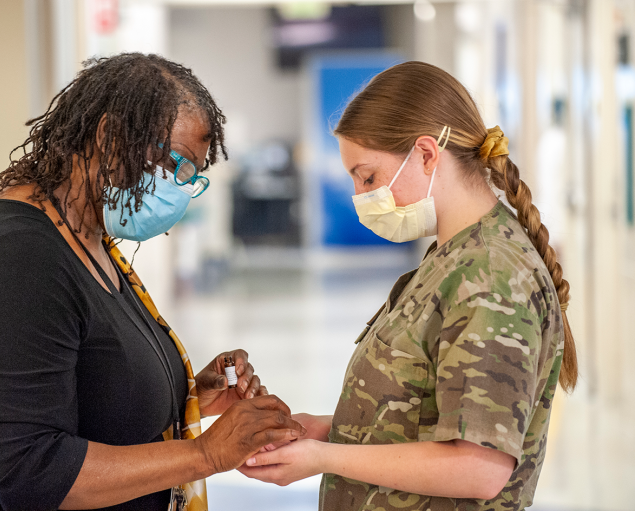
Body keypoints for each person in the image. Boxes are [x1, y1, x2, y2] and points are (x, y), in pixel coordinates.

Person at [0, 53, 305, 511]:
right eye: (176, 163)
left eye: (192, 175)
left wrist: (190, 394)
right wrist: (206, 453)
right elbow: (32, 470)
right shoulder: (20, 258)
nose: (181, 187)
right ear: (109, 136)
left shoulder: (85, 237)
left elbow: (82, 383)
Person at [239, 61, 577, 511]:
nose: (361, 195)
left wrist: (323, 457)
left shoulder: (491, 276)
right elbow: (421, 413)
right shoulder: (452, 255)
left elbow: (479, 468)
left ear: (425, 154)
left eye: (368, 176)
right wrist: (328, 429)